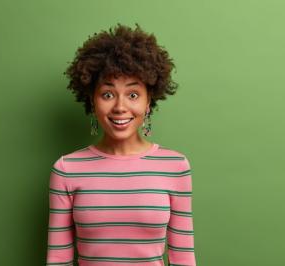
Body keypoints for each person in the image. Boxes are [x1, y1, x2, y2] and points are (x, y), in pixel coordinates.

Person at [46, 23, 197, 266]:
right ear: (92, 102)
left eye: (133, 94)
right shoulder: (66, 169)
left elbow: (183, 258)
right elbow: (58, 259)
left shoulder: (175, 166)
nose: (119, 107)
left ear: (149, 102)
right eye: (107, 94)